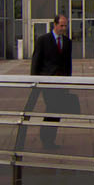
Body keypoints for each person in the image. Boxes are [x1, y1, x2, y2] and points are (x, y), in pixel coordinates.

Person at [29, 14, 78, 148]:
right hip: (47, 82)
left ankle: (49, 139)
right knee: (52, 107)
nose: (63, 28)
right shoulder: (43, 40)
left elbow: (68, 63)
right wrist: (34, 81)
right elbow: (36, 62)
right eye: (61, 25)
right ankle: (46, 138)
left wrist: (68, 81)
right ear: (55, 25)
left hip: (61, 83)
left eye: (65, 26)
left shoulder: (67, 42)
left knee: (57, 111)